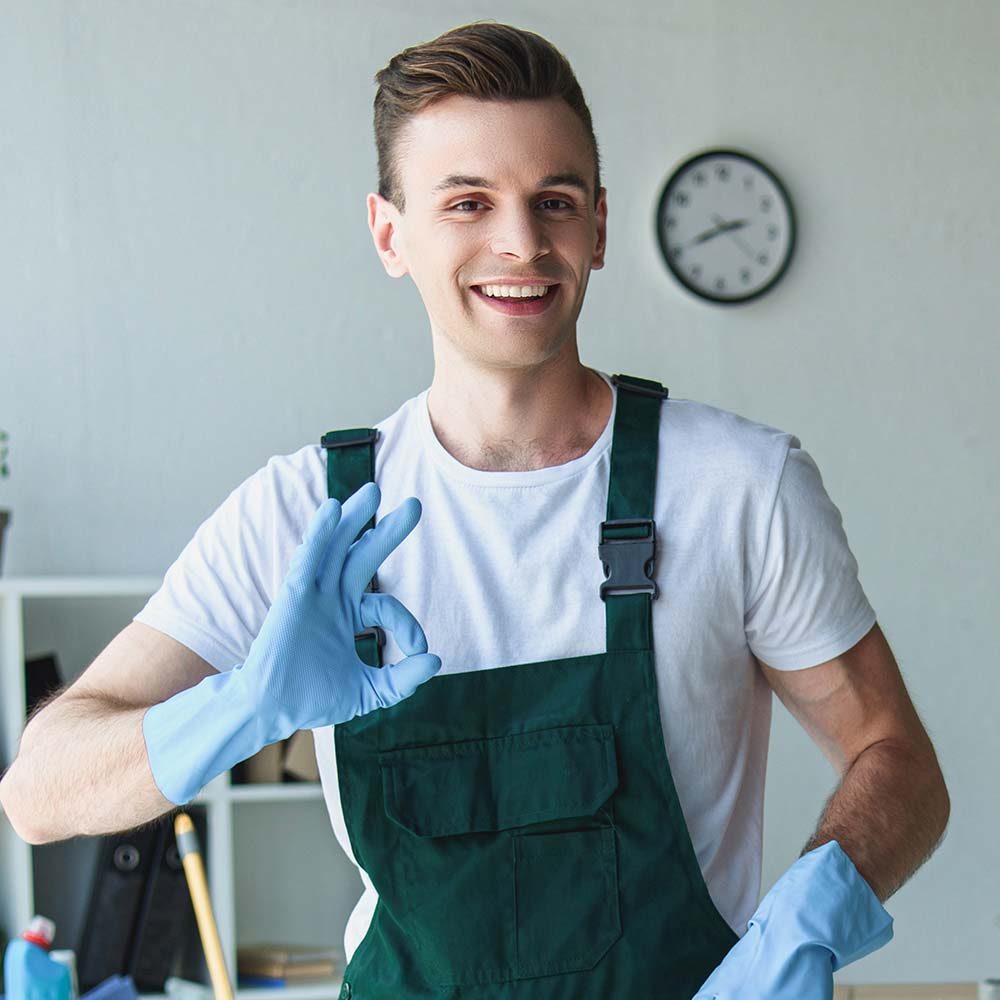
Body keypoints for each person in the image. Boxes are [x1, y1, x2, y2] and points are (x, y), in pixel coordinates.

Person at [0, 21, 949, 999]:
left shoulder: (737, 488)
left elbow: (899, 761)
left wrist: (808, 914)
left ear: (600, 226)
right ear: (388, 233)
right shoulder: (307, 520)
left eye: (555, 201)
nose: (521, 243)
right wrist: (245, 704)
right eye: (467, 202)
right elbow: (37, 792)